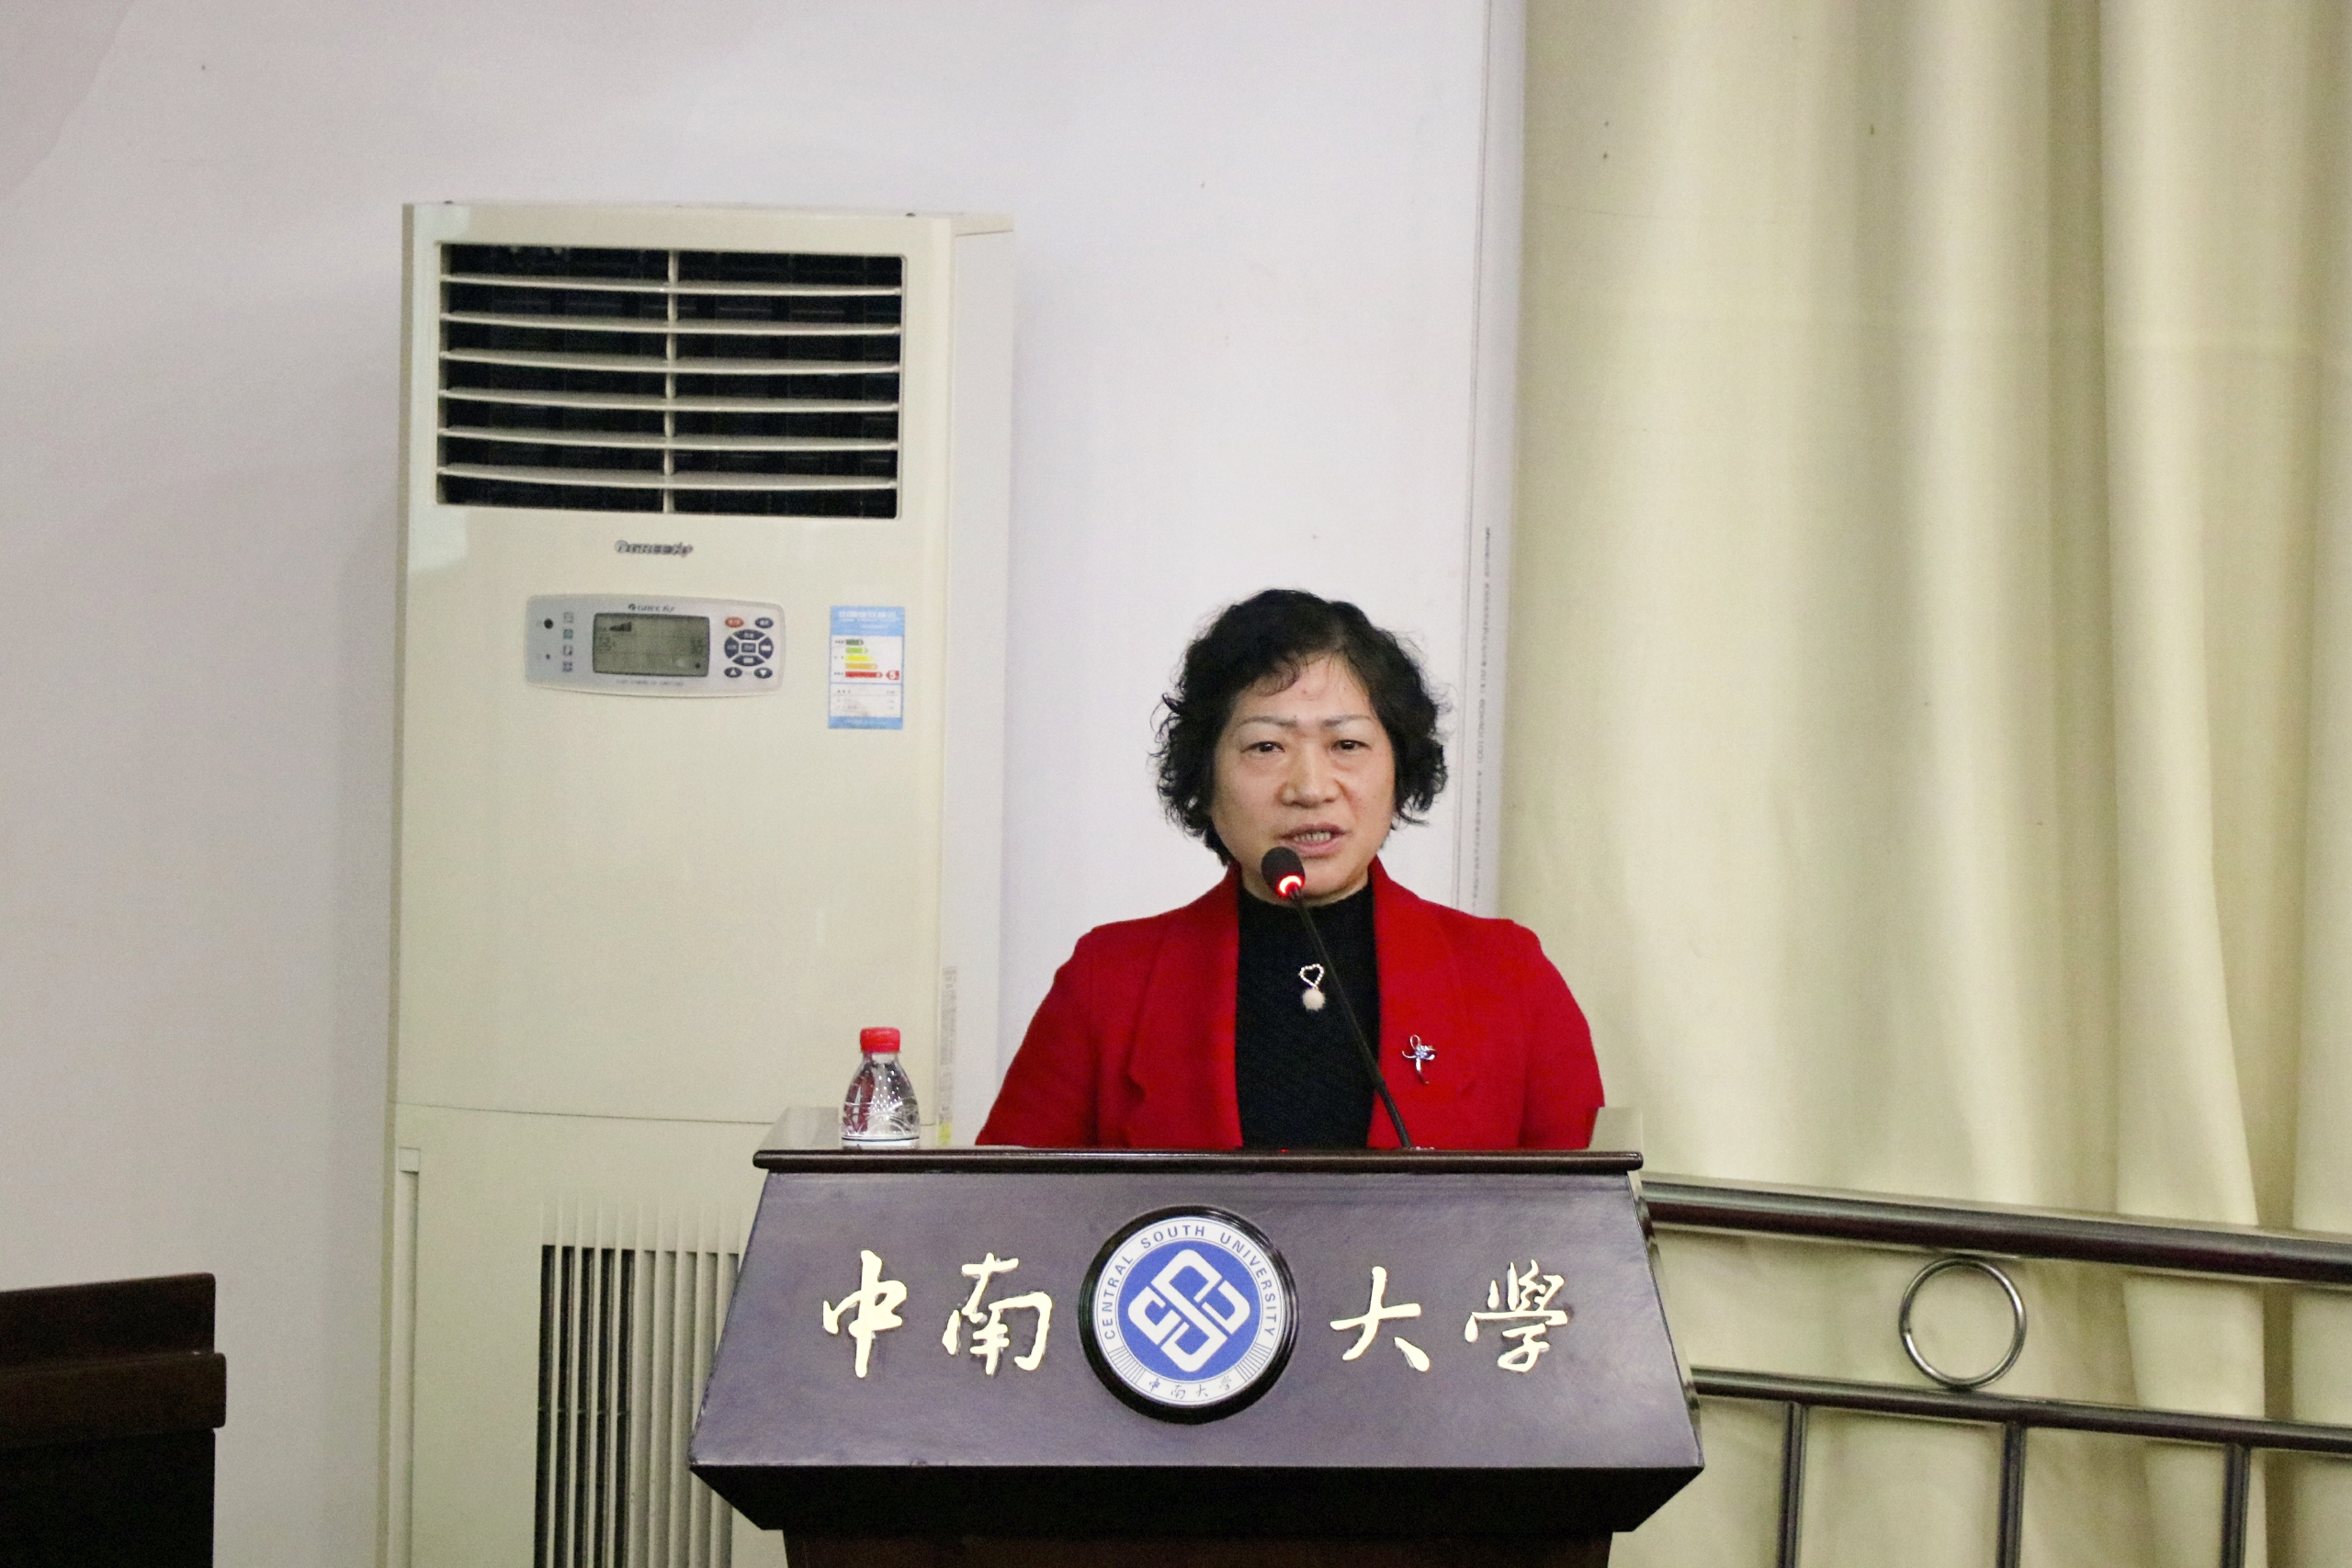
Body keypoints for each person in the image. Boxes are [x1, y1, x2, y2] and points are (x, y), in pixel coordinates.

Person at [977, 589, 1602, 1150]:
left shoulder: (1510, 978)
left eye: (1347, 745)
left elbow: (1585, 1222)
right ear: (1205, 777)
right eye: (1266, 746)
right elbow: (1005, 1217)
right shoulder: (1107, 983)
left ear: (1399, 769)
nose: (1310, 787)